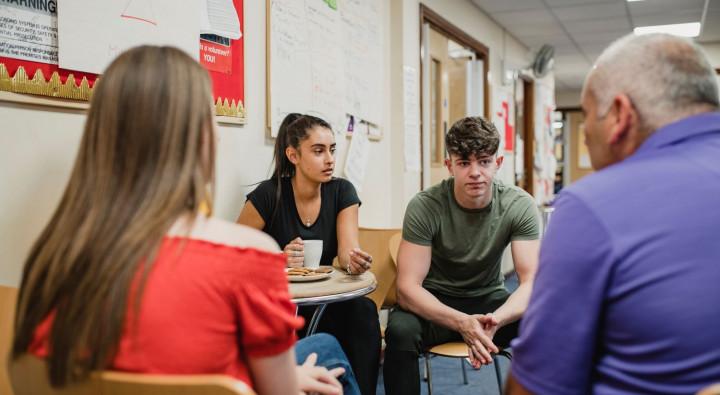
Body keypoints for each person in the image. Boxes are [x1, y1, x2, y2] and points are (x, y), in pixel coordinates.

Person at [11, 46, 359, 395]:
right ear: (199, 139)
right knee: (326, 349)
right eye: (211, 119)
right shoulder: (250, 255)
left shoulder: (50, 259)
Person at [506, 33, 720, 395]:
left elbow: (535, 387)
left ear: (620, 115)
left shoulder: (592, 204)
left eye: (588, 116)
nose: (586, 136)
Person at [383, 116, 540, 395]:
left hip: (489, 301)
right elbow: (407, 290)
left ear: (498, 163)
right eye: (464, 162)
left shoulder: (519, 205)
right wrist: (461, 322)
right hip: (435, 302)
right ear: (449, 166)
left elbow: (530, 284)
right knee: (400, 330)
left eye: (484, 161)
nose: (475, 172)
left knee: (542, 322)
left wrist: (497, 320)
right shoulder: (425, 205)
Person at [237, 113, 381, 395]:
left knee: (363, 311)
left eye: (332, 150)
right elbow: (235, 256)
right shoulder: (269, 194)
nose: (329, 159)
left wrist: (353, 261)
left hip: (326, 302)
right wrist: (278, 258)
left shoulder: (342, 191)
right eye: (318, 151)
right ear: (293, 155)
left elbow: (346, 251)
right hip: (281, 304)